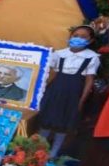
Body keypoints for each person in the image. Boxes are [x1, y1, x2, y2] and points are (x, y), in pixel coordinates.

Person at [38, 25, 100, 157]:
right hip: (55, 90)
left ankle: (53, 152)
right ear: (70, 37)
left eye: (83, 37)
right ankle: (38, 150)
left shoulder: (91, 58)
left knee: (64, 123)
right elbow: (53, 74)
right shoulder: (59, 54)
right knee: (47, 120)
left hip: (73, 93)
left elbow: (89, 80)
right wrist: (41, 90)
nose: (78, 39)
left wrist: (82, 99)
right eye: (76, 35)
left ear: (90, 41)